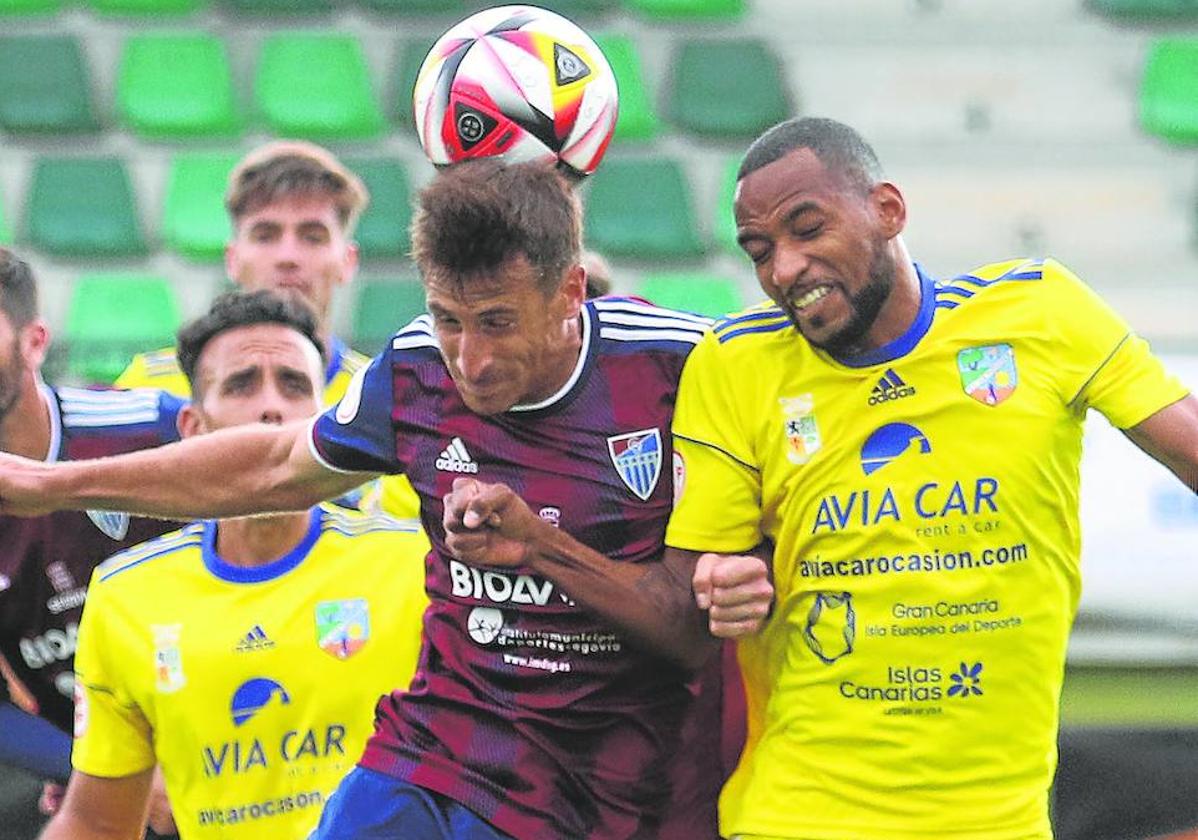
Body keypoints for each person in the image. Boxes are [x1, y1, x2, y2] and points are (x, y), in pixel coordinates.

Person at [0, 159, 772, 840]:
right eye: (448, 320)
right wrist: (48, 484)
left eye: (498, 323)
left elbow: (687, 628)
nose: (470, 357)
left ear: (571, 292)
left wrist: (746, 567)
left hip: (623, 780)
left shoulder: (681, 365)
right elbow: (275, 462)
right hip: (442, 756)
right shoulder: (414, 371)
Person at [663, 116, 1198, 840]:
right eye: (760, 252)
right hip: (801, 816)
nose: (783, 269)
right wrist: (727, 583)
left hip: (996, 822)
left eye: (807, 229)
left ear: (888, 210)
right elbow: (691, 589)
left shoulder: (1041, 315)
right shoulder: (735, 365)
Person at [40, 290, 430, 840]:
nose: (271, 406)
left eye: (294, 385)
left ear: (326, 418)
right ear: (193, 429)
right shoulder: (126, 596)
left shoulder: (410, 564)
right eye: (241, 384)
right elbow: (97, 823)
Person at [114, 139, 419, 519]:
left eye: (312, 236)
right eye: (265, 235)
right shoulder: (149, 385)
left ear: (347, 261)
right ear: (232, 258)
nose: (288, 257)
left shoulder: (384, 401)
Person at [0, 248, 183, 788]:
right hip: (83, 765)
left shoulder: (148, 430)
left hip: (226, 729)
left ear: (34, 343)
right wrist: (103, 777)